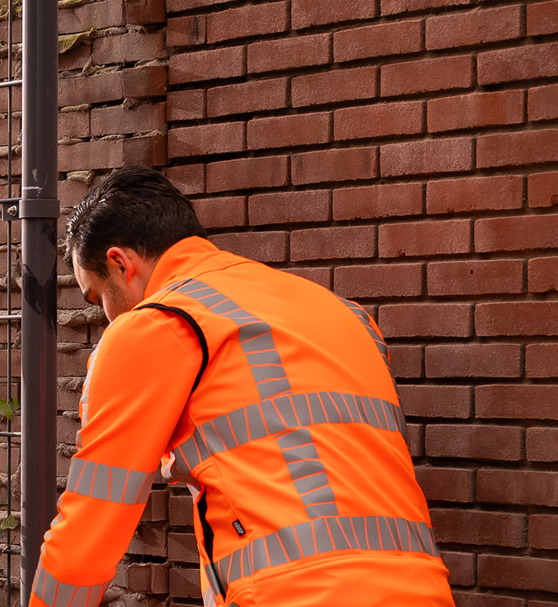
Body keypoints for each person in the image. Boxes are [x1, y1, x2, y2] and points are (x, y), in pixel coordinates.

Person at [29, 167, 452, 607]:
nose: (106, 318)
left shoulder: (159, 323)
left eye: (98, 298)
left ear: (121, 263)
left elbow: (92, 526)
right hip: (424, 589)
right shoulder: (344, 313)